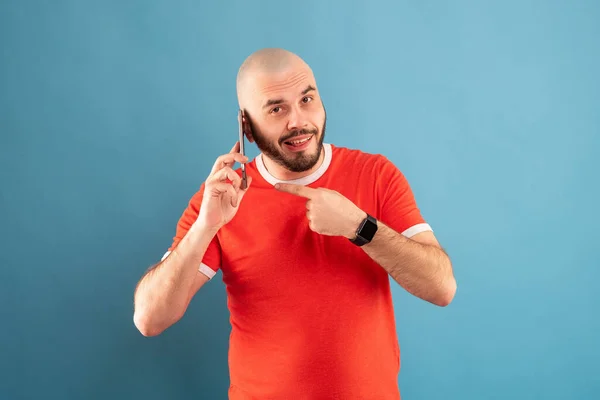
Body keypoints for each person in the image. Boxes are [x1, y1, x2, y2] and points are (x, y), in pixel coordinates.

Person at [133, 48, 457, 400]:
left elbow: (441, 288)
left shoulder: (376, 175)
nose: (297, 121)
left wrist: (359, 227)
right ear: (247, 127)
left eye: (306, 99)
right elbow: (150, 319)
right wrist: (205, 226)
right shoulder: (223, 197)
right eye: (276, 109)